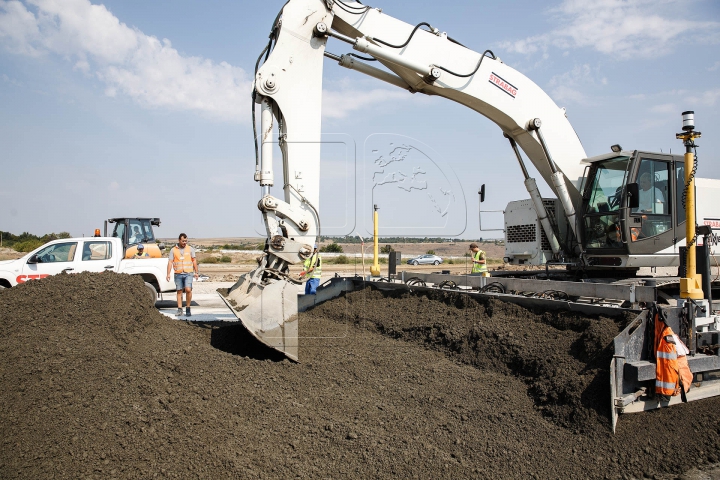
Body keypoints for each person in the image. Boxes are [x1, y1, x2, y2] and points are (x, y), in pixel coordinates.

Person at [166, 233, 199, 316]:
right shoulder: (173, 250)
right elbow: (170, 262)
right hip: (178, 274)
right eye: (183, 241)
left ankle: (188, 308)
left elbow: (194, 260)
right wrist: (168, 274)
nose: (185, 242)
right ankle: (179, 309)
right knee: (179, 291)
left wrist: (196, 272)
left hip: (188, 273)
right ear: (179, 240)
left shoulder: (190, 249)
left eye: (186, 241)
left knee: (188, 289)